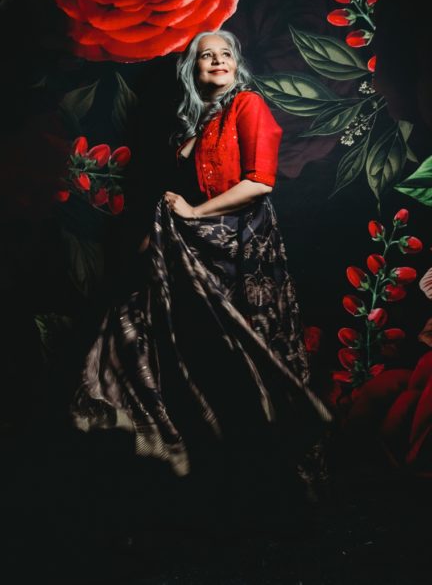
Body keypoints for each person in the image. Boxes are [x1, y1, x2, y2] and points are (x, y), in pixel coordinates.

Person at [71, 30, 330, 502]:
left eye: (225, 53)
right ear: (192, 70)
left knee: (246, 350)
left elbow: (260, 182)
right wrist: (164, 228)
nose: (216, 60)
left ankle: (269, 480)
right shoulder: (195, 125)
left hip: (242, 245)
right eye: (205, 55)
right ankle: (194, 470)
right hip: (197, 246)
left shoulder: (248, 105)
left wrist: (191, 213)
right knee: (182, 345)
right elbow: (179, 190)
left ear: (236, 64)